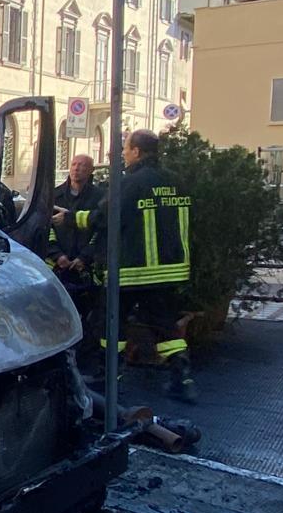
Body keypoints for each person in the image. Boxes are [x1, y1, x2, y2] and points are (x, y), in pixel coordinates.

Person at [57, 128, 194, 400]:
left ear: (137, 151)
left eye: (126, 149)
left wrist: (70, 219)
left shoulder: (129, 183)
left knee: (111, 322)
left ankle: (110, 378)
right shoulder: (176, 181)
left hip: (131, 271)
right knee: (165, 325)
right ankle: (183, 379)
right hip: (170, 270)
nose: (123, 154)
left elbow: (105, 217)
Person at [50, 153, 103, 283]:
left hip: (87, 269)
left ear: (91, 170)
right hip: (57, 268)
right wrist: (57, 255)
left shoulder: (100, 197)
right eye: (73, 164)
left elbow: (101, 231)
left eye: (81, 165)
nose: (76, 168)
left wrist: (84, 257)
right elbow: (45, 229)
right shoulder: (54, 195)